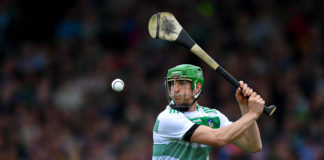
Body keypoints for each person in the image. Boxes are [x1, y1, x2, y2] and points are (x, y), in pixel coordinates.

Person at [152, 64, 265, 160]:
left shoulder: (213, 116)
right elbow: (219, 138)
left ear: (197, 87)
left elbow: (253, 145)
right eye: (172, 84)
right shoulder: (167, 118)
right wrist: (252, 114)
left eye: (181, 83)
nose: (175, 89)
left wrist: (245, 108)